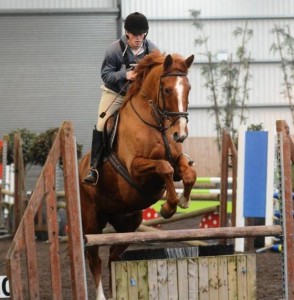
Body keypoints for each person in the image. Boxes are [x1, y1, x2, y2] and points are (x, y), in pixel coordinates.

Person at [84, 12, 159, 184]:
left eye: (141, 34)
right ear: (127, 33)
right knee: (102, 124)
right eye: (135, 34)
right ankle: (94, 168)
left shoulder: (152, 51)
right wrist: (125, 75)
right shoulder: (114, 50)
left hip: (139, 97)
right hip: (115, 93)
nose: (138, 38)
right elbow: (106, 75)